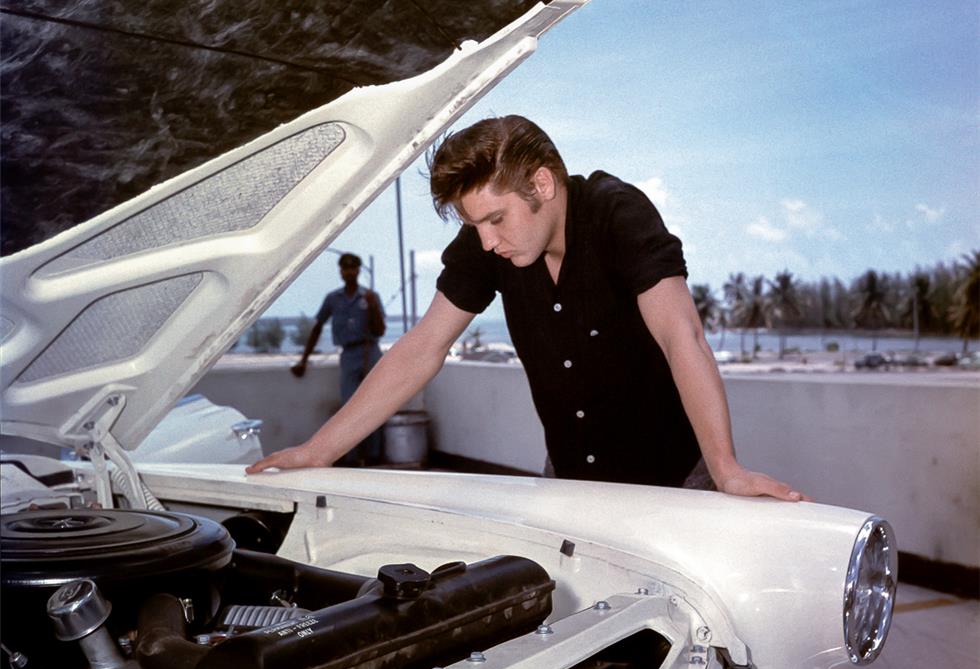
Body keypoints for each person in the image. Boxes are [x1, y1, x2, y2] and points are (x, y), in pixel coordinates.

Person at [249, 116, 807, 501]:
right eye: (475, 226)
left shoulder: (618, 213)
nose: (487, 242)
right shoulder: (489, 244)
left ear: (542, 184)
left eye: (496, 220)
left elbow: (681, 336)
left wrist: (726, 469)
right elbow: (423, 346)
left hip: (673, 480)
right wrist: (319, 450)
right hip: (568, 479)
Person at [290, 252, 386, 465]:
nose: (349, 272)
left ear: (358, 270)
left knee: (376, 403)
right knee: (349, 406)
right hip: (349, 355)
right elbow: (317, 327)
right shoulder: (333, 299)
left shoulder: (370, 296)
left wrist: (372, 306)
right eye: (345, 268)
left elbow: (379, 330)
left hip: (371, 352)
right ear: (340, 271)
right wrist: (303, 360)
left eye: (353, 268)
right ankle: (351, 456)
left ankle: (374, 456)